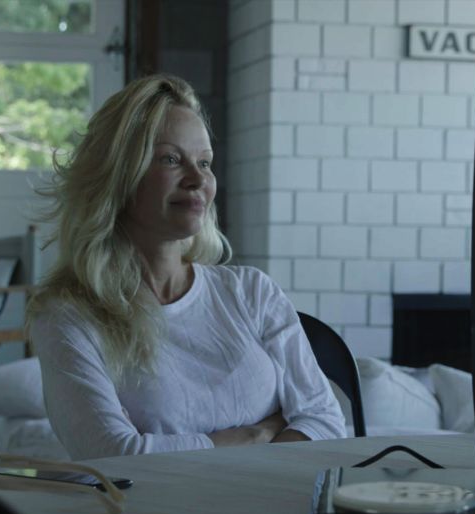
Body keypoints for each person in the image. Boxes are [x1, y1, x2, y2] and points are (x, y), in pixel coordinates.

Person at [27, 74, 346, 459]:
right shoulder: (68, 317)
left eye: (205, 162)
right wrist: (257, 433)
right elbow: (115, 456)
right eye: (171, 159)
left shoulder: (252, 292)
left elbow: (326, 422)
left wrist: (161, 449)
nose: (198, 180)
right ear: (119, 175)